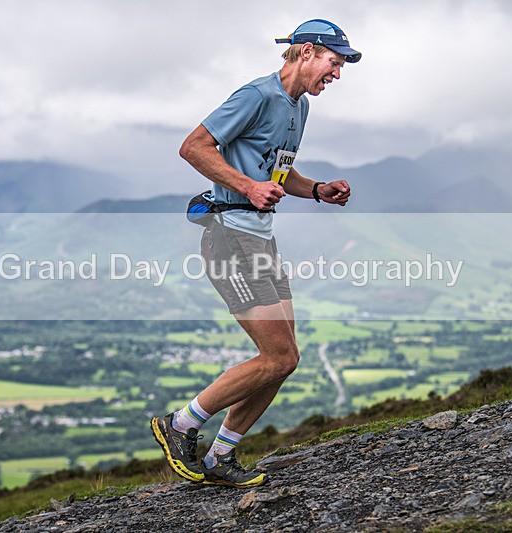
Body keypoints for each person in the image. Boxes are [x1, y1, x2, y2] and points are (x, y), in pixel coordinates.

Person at [151, 19, 360, 488]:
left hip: (260, 238)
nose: (338, 74)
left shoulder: (298, 108)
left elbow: (279, 176)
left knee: (286, 358)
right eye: (334, 62)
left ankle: (221, 455)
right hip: (229, 236)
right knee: (277, 356)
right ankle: (179, 425)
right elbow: (193, 147)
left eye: (342, 66)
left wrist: (319, 189)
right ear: (306, 52)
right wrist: (247, 186)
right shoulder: (257, 95)